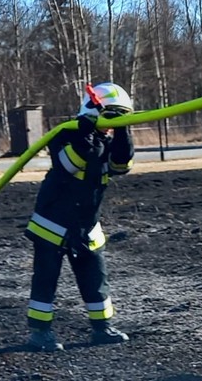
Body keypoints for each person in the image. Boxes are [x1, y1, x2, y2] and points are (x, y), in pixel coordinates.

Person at [25, 82, 134, 351]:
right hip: (53, 224)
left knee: (95, 278)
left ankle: (102, 328)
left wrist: (122, 132)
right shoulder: (64, 134)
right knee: (46, 279)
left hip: (86, 225)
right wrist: (86, 137)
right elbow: (68, 165)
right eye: (110, 116)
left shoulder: (108, 141)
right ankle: (40, 333)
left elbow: (122, 164)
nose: (110, 124)